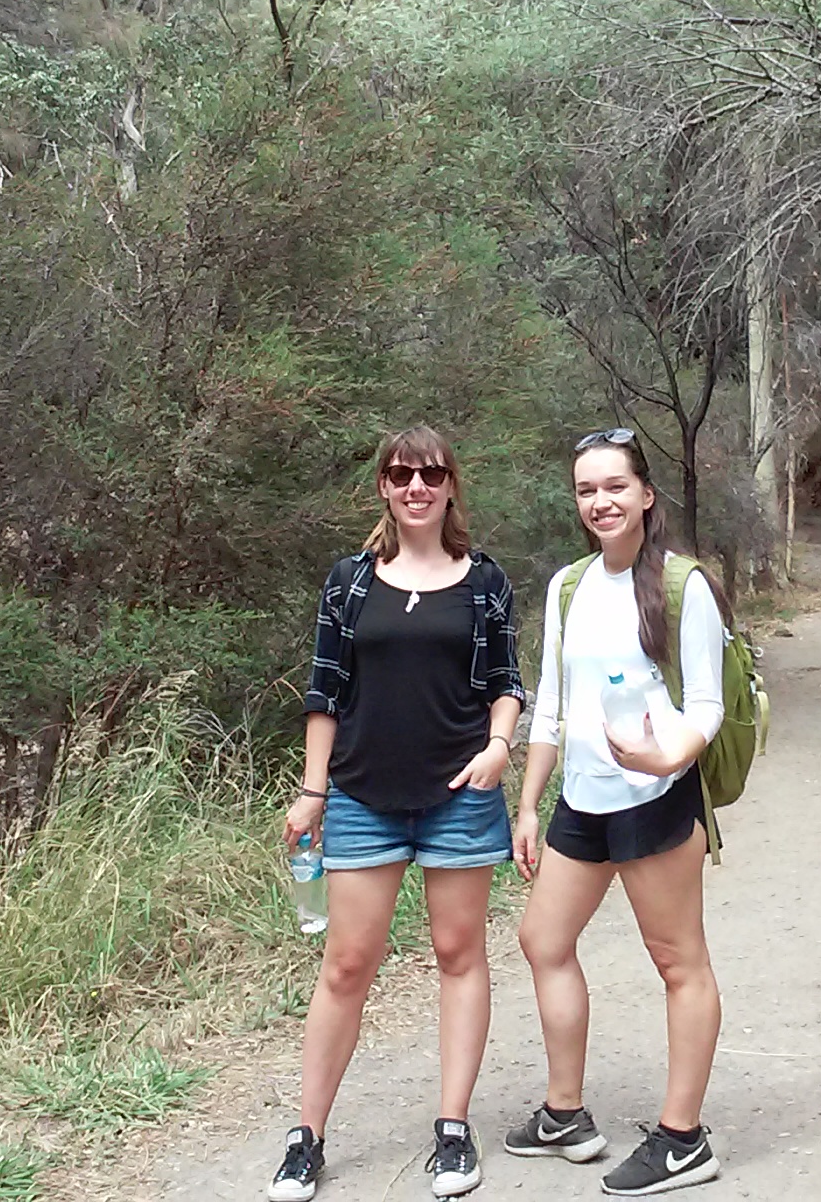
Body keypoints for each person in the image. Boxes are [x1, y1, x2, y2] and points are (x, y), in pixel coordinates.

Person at [268, 426, 526, 1202]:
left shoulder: (485, 581)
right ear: (383, 485)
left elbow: (507, 680)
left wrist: (501, 746)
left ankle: (452, 1130)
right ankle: (306, 1136)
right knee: (346, 965)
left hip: (460, 799)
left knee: (459, 955)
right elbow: (324, 693)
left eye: (431, 473)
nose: (417, 486)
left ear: (452, 485)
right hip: (360, 797)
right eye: (401, 474)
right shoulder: (350, 581)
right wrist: (312, 792)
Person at [504, 429, 726, 1197]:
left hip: (656, 801)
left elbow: (708, 704)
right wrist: (529, 805)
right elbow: (553, 707)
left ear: (646, 496)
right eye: (586, 490)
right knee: (543, 938)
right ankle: (565, 1114)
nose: (600, 501)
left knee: (678, 962)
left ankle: (682, 1138)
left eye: (614, 487)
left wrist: (670, 760)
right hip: (583, 803)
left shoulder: (683, 584)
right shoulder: (569, 586)